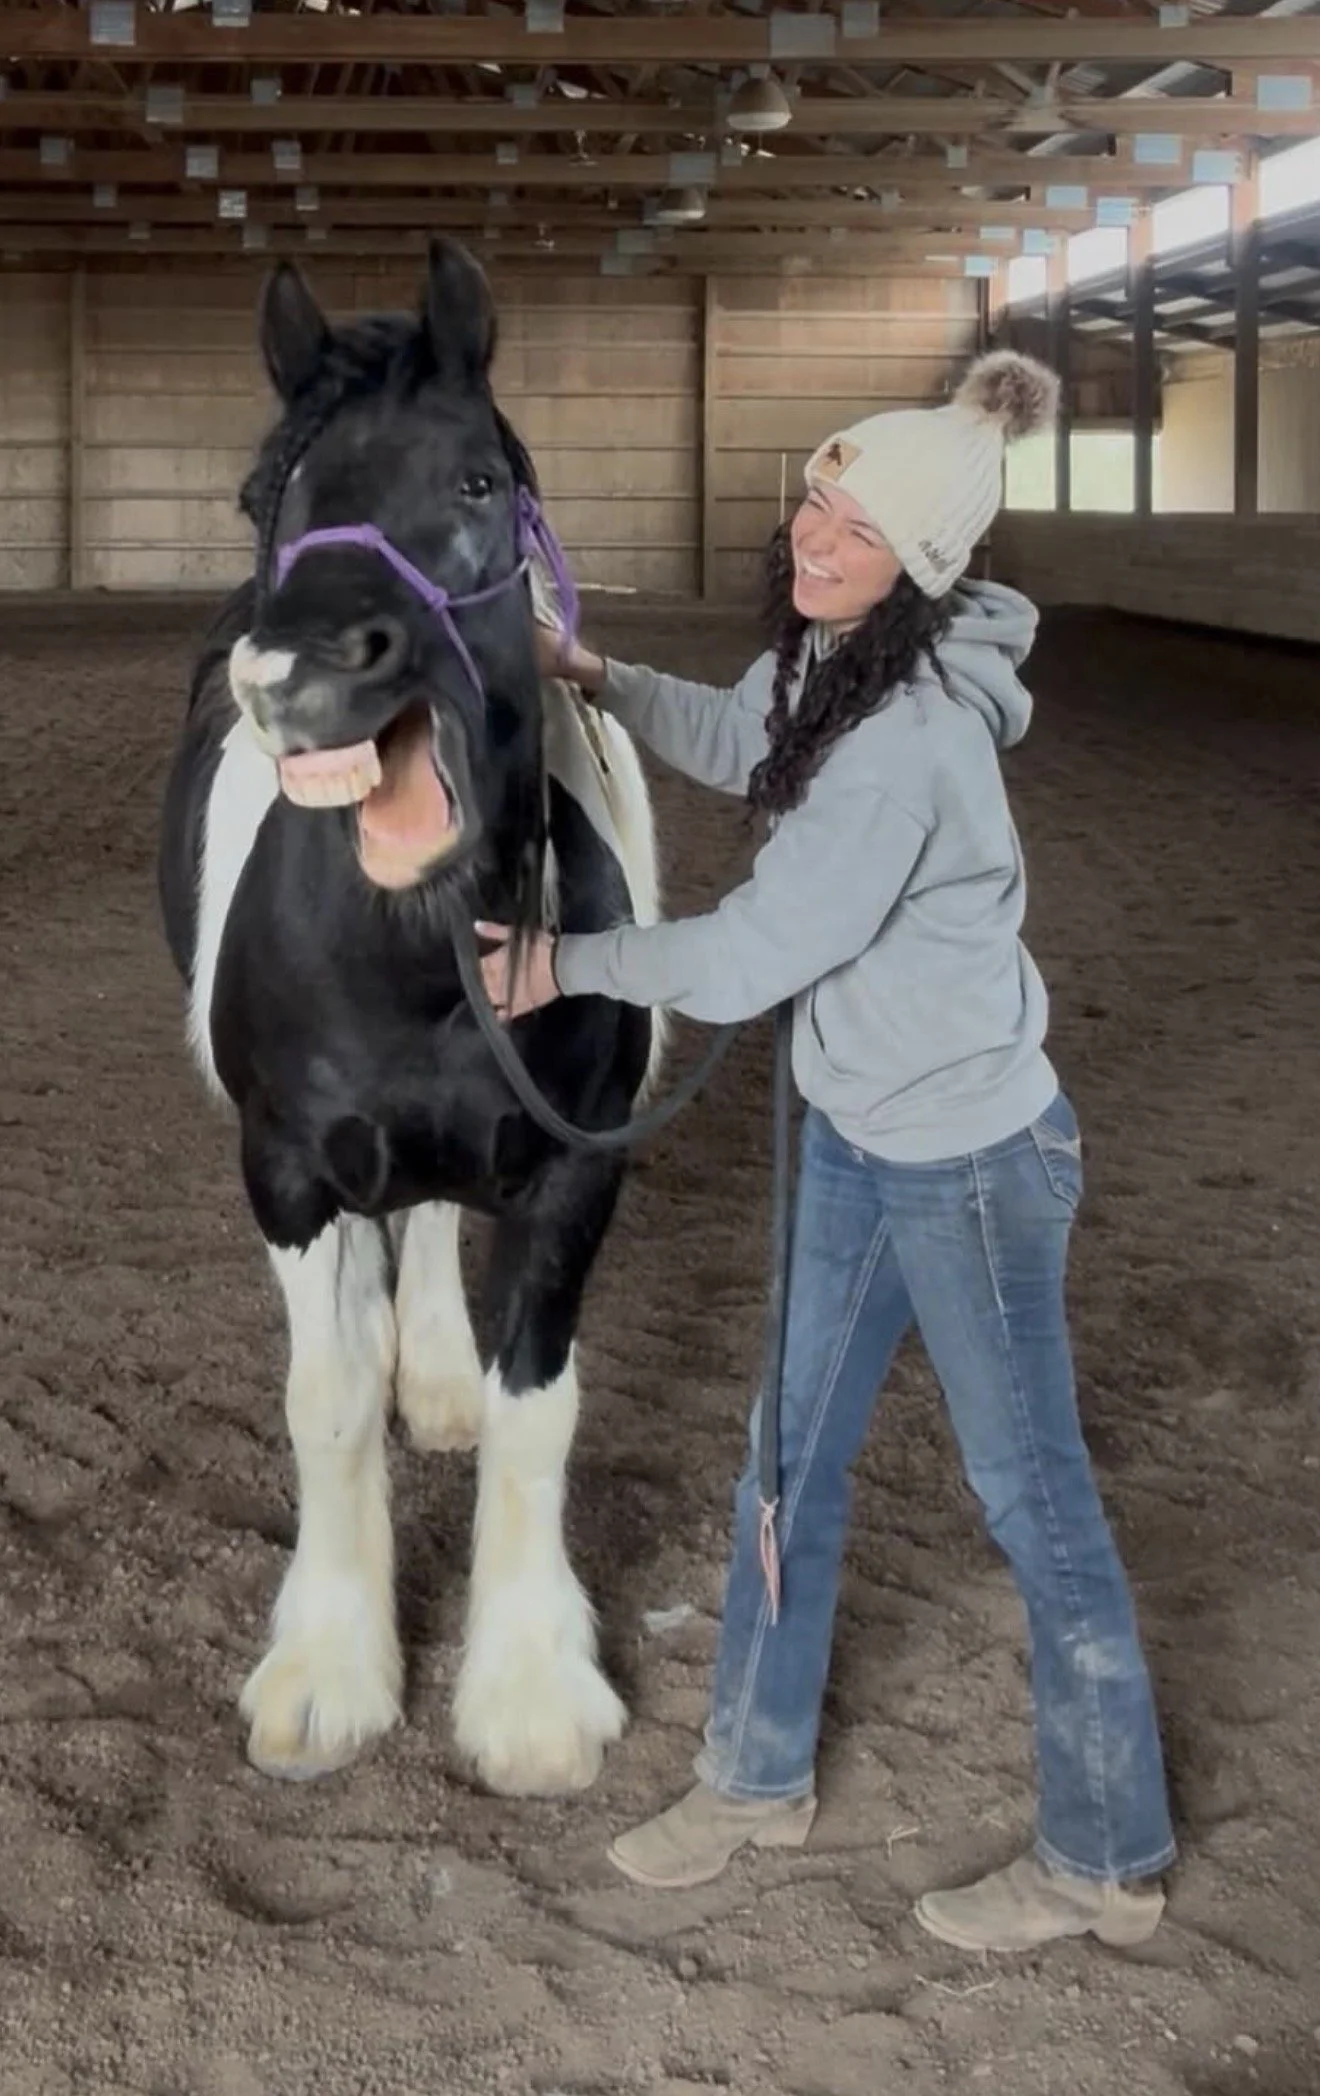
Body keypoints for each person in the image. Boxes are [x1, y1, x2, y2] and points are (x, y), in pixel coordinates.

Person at [477, 350, 1176, 1954]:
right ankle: (755, 1772)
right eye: (814, 495)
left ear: (919, 562)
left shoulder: (907, 743)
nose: (813, 534)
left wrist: (565, 966)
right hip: (863, 1135)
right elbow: (740, 733)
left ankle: (1105, 1860)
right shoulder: (833, 670)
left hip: (972, 1162)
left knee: (1035, 1497)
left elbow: (744, 959)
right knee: (785, 1460)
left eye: (853, 525)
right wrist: (593, 673)